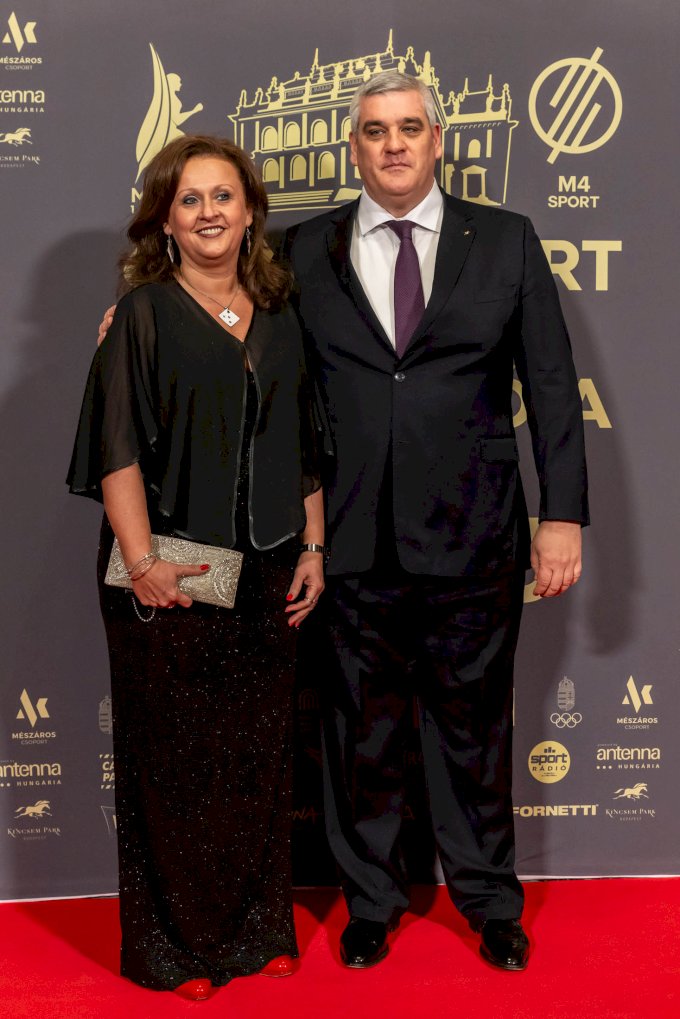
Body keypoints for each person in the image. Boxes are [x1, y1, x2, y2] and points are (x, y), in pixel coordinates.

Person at [284, 71, 588, 972]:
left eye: (409, 127)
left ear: (437, 139)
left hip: (477, 533)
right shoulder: (301, 250)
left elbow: (554, 385)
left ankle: (489, 901)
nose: (393, 144)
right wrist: (136, 310)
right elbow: (236, 334)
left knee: (476, 730)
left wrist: (562, 514)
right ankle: (371, 903)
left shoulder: (506, 239)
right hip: (352, 538)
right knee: (360, 733)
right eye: (375, 130)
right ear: (353, 147)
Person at [68, 135, 324, 1000]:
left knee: (256, 758)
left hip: (269, 566)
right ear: (165, 221)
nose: (209, 212)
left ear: (251, 212)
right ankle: (174, 949)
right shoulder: (140, 314)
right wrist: (142, 561)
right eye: (190, 199)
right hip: (170, 571)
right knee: (174, 763)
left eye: (224, 196)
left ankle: (257, 930)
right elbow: (115, 452)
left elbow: (306, 443)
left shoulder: (280, 311)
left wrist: (313, 546)